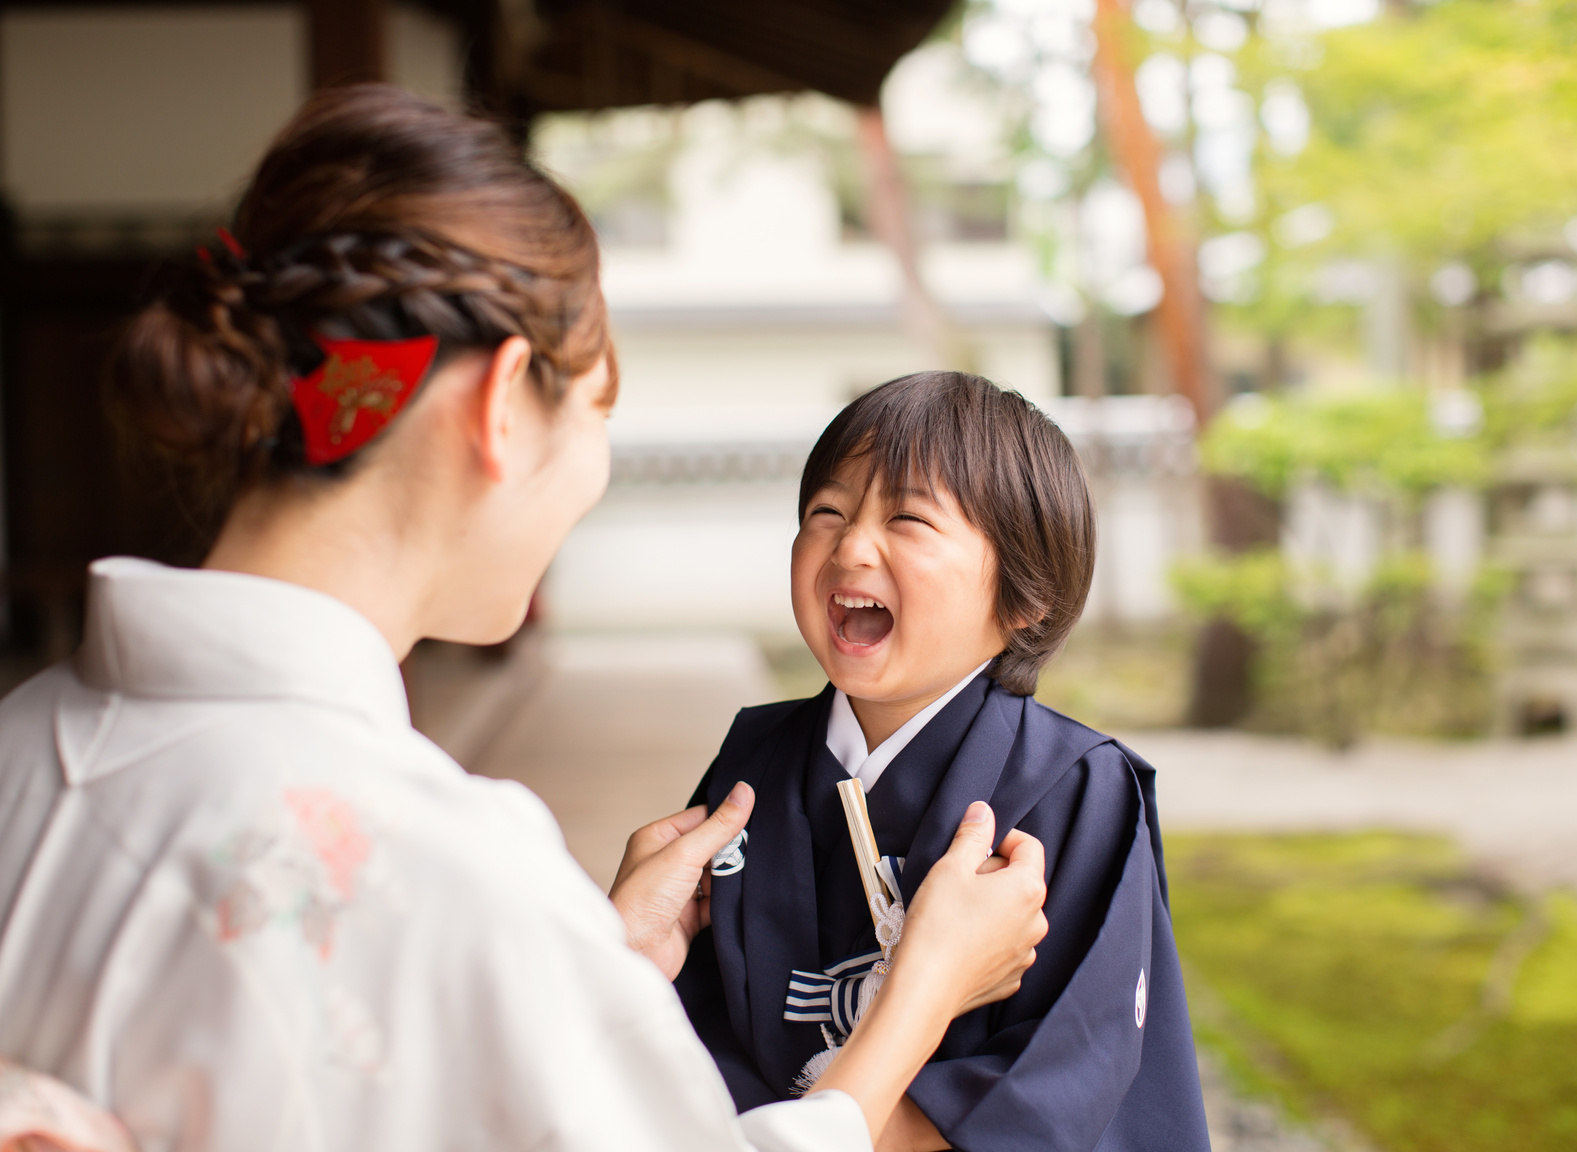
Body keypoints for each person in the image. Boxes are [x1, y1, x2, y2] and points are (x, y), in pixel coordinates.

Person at [0, 86, 1051, 1152]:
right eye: (598, 412)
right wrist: (920, 995)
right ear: (504, 406)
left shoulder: (23, 743)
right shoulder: (440, 863)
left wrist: (595, 959)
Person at [676, 373, 1213, 1152]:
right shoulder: (753, 763)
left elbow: (1066, 1065)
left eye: (908, 519)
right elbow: (696, 1021)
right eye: (826, 512)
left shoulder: (1073, 785)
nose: (850, 546)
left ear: (1024, 594)